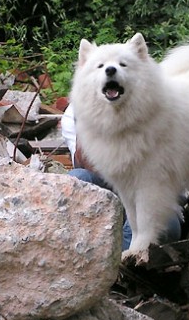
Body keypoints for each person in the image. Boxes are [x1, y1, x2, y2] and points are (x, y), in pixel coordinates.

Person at [61, 102, 182, 251]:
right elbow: (86, 160)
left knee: (168, 227)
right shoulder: (75, 111)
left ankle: (121, 260)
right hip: (106, 191)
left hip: (150, 190)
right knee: (77, 178)